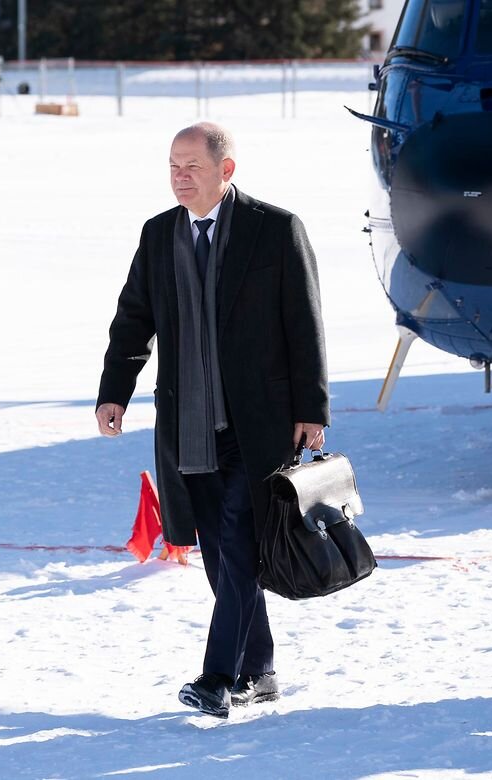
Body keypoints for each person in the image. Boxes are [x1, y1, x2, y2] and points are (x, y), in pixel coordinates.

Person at [95, 122, 329, 719]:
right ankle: (262, 669)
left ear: (226, 170)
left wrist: (312, 409)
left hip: (259, 426)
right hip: (187, 429)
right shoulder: (157, 236)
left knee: (242, 544)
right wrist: (114, 392)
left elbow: (304, 324)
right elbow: (132, 321)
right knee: (221, 554)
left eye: (192, 165)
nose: (179, 176)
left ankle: (218, 675)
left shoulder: (275, 230)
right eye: (173, 165)